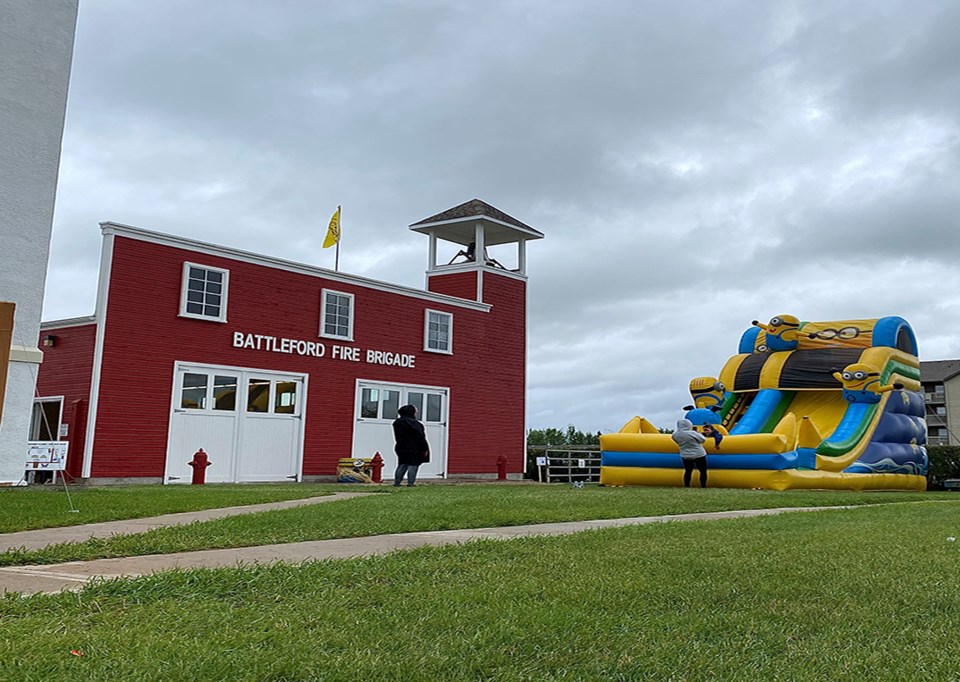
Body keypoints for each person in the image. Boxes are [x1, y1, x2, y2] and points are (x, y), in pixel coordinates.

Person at [392, 404, 430, 487]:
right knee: (413, 465)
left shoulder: (397, 422)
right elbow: (420, 437)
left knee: (402, 464)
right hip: (414, 447)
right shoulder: (416, 424)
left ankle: (397, 482)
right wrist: (425, 449)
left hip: (401, 447)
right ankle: (410, 483)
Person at [671, 418, 708, 488]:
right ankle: (703, 486)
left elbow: (677, 441)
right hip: (699, 454)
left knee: (688, 471)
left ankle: (687, 485)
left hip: (685, 454)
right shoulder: (692, 433)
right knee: (703, 471)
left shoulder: (675, 435)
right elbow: (703, 440)